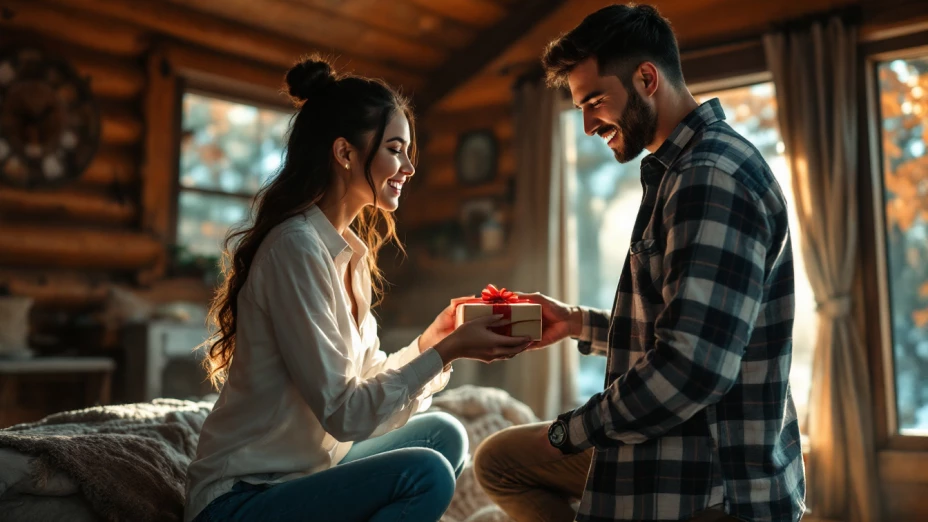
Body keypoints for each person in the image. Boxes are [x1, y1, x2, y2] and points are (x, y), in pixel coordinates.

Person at [474, 4, 805, 522]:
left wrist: (568, 432)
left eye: (595, 101)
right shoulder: (684, 170)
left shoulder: (709, 177)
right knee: (499, 461)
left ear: (647, 78)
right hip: (682, 448)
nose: (586, 125)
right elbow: (684, 334)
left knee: (505, 462)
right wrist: (576, 323)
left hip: (712, 482)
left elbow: (690, 371)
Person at [184, 56, 534, 522]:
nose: (409, 166)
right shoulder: (295, 248)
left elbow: (365, 387)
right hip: (242, 497)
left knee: (445, 434)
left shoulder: (348, 255)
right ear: (345, 152)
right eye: (395, 149)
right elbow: (344, 415)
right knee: (425, 473)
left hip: (307, 475)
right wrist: (446, 352)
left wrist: (432, 343)